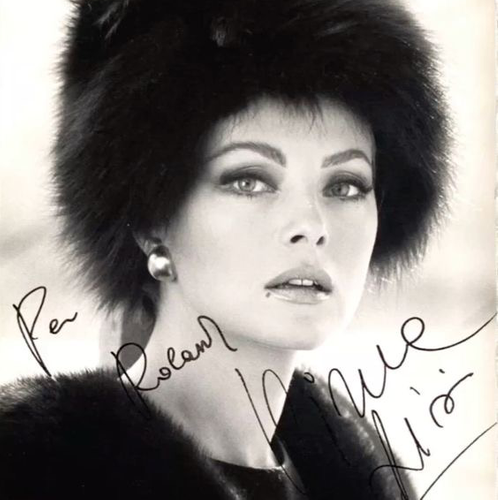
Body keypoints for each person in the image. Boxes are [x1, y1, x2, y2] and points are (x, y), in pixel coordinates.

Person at [0, 0, 450, 498]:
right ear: (150, 221)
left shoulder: (365, 478)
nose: (311, 225)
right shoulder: (34, 473)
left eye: (345, 186)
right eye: (249, 180)